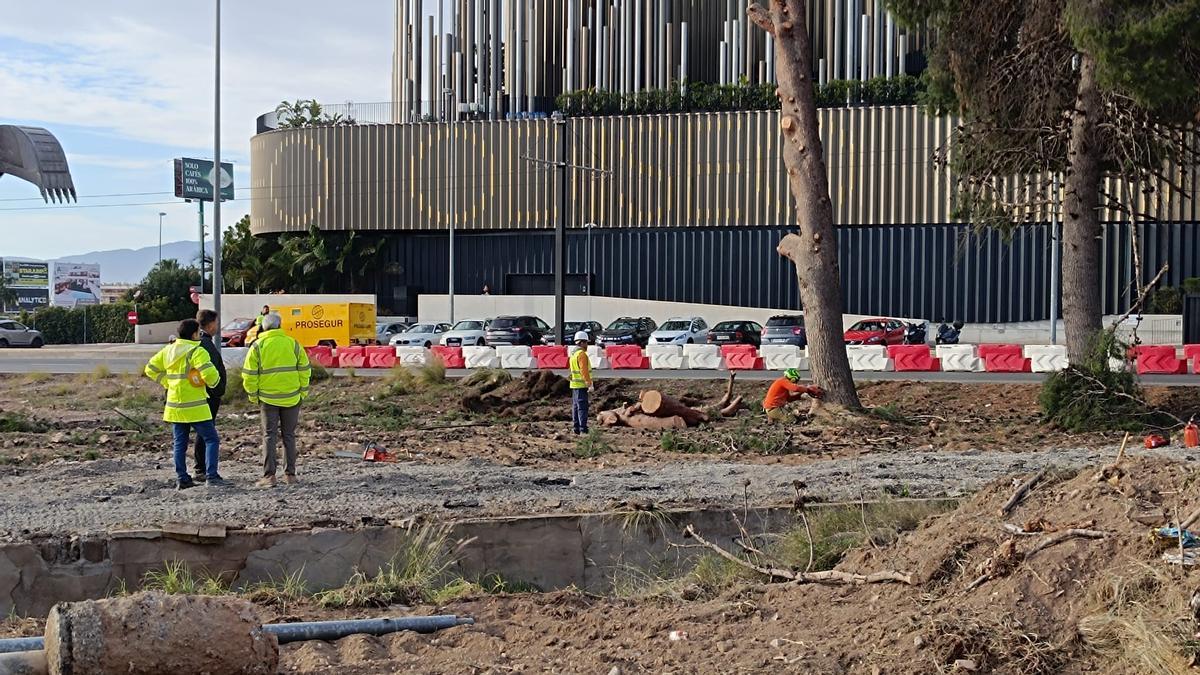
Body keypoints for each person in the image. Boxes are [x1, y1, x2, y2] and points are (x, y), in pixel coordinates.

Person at [144, 319, 230, 489]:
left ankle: (182, 478)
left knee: (179, 443)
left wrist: (167, 382)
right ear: (193, 334)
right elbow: (210, 374)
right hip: (196, 405)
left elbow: (150, 369)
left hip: (175, 406)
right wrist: (214, 385)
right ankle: (211, 476)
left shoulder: (168, 350)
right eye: (198, 332)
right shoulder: (197, 351)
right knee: (211, 439)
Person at [242, 313, 311, 488]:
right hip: (292, 398)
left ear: (264, 327)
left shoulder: (258, 346)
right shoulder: (293, 343)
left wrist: (253, 395)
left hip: (268, 399)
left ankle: (269, 476)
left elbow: (249, 375)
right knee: (289, 436)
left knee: (269, 436)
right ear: (280, 325)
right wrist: (302, 392)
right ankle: (290, 475)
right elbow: (304, 369)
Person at [191, 309, 227, 483]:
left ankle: (200, 469)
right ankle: (203, 470)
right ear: (211, 324)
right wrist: (216, 390)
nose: (217, 326)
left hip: (202, 395)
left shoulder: (199, 342)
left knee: (200, 434)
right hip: (208, 396)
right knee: (207, 434)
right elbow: (210, 372)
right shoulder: (205, 344)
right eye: (217, 323)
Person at [568, 330, 593, 434]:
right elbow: (584, 370)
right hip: (581, 386)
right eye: (586, 342)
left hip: (574, 385)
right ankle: (583, 428)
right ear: (581, 343)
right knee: (582, 408)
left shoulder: (573, 354)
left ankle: (576, 428)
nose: (587, 345)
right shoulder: (581, 354)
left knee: (575, 407)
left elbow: (571, 371)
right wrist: (589, 384)